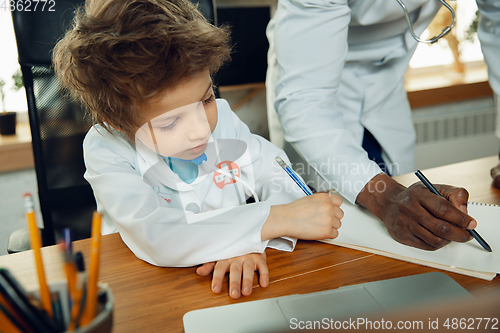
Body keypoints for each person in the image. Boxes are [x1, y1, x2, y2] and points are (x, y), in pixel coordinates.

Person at [53, 0, 343, 299]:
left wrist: (246, 243)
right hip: (150, 292)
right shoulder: (108, 148)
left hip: (233, 284)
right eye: (170, 123)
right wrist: (269, 222)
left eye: (206, 100)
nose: (201, 129)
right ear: (118, 122)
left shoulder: (224, 119)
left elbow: (279, 175)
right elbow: (159, 236)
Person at [267, 0, 500, 251]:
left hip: (387, 84)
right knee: (330, 237)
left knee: (402, 236)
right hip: (313, 85)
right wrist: (388, 198)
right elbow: (305, 99)